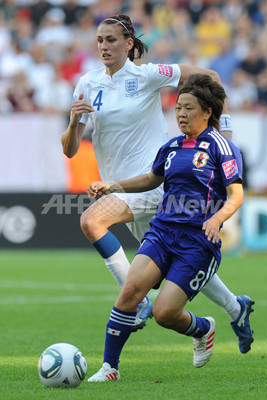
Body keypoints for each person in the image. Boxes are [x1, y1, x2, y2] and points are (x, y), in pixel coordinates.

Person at [61, 15, 254, 348]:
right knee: (174, 264)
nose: (104, 46)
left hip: (156, 183)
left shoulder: (148, 75)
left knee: (91, 220)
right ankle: (235, 307)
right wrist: (74, 121)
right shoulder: (87, 84)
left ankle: (136, 305)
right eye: (100, 40)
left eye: (111, 40)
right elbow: (70, 149)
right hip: (124, 185)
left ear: (129, 43)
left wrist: (224, 127)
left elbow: (210, 77)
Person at [87, 73, 245, 381]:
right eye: (178, 109)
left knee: (164, 314)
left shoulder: (220, 147)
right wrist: (113, 186)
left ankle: (203, 328)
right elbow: (151, 179)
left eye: (189, 108)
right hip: (162, 232)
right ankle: (109, 368)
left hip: (197, 242)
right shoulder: (171, 146)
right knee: (131, 290)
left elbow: (237, 194)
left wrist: (215, 219)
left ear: (207, 112)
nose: (182, 114)